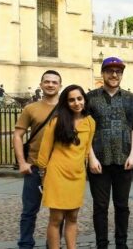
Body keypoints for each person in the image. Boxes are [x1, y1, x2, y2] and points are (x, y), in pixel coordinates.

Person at [87, 57, 133, 249]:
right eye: (110, 71)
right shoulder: (91, 98)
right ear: (103, 73)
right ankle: (101, 244)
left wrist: (132, 154)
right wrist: (91, 157)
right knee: (101, 207)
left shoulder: (129, 98)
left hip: (123, 160)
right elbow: (84, 129)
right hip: (99, 161)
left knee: (122, 206)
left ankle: (121, 243)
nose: (114, 75)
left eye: (118, 72)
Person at [38, 84, 97, 249]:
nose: (77, 103)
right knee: (56, 219)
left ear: (84, 99)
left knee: (72, 217)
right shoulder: (57, 121)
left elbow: (86, 149)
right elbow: (44, 151)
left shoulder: (91, 122)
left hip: (77, 176)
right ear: (66, 102)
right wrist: (43, 177)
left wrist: (88, 162)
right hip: (56, 176)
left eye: (79, 98)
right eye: (71, 100)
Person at [13, 70, 62, 249]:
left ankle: (54, 244)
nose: (50, 85)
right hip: (34, 167)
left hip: (58, 169)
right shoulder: (30, 108)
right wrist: (22, 162)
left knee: (58, 213)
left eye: (54, 82)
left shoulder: (67, 108)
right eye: (47, 81)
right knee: (29, 211)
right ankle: (25, 244)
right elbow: (18, 135)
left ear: (60, 86)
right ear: (41, 85)